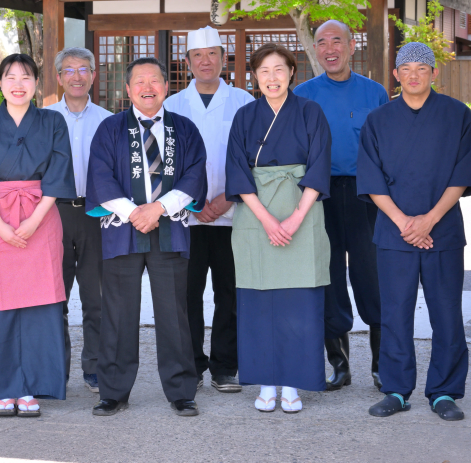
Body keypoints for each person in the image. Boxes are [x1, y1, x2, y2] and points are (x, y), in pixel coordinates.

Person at [356, 42, 471, 422]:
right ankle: (396, 389)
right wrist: (404, 223)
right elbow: (372, 178)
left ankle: (444, 391)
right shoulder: (379, 120)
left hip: (442, 229)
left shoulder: (457, 116)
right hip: (394, 232)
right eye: (405, 68)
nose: (413, 75)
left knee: (447, 313)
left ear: (433, 74)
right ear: (395, 75)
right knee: (394, 312)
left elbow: (462, 173)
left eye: (421, 69)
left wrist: (428, 220)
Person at [85, 56, 208, 417]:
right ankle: (113, 390)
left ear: (166, 86)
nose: (147, 88)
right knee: (118, 313)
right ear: (128, 89)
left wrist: (158, 209)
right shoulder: (109, 129)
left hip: (170, 230)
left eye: (155, 80)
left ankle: (182, 390)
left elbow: (195, 174)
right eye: (139, 81)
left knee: (174, 312)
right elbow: (100, 176)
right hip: (122, 232)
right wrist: (135, 213)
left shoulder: (184, 129)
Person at [0, 53, 76, 417]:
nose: (18, 84)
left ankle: (30, 388)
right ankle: (2, 387)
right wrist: (1, 226)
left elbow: (59, 173)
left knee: (39, 305)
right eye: (10, 77)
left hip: (40, 217)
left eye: (26, 77)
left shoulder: (53, 121)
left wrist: (33, 220)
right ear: (0, 83)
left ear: (37, 83)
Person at [226, 43, 332, 414]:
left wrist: (296, 217)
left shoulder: (310, 112)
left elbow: (319, 166)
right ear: (255, 77)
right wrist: (269, 220)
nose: (272, 78)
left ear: (291, 72)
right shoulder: (244, 116)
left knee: (299, 304)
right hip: (256, 218)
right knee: (258, 303)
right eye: (264, 71)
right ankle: (266, 382)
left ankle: (293, 384)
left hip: (302, 210)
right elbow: (237, 172)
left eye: (279, 69)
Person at [293, 20, 389, 390]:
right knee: (328, 277)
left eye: (337, 41)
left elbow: (386, 150)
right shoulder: (303, 94)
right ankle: (340, 364)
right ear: (314, 49)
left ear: (352, 46)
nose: (330, 48)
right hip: (321, 196)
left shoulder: (375, 93)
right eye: (322, 42)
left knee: (373, 277)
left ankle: (382, 364)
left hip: (367, 196)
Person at [164, 26, 253, 394]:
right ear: (187, 62)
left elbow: (252, 159)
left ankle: (225, 366)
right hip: (186, 216)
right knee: (186, 293)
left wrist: (228, 197)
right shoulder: (172, 105)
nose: (205, 61)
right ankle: (191, 364)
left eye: (213, 54)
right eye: (198, 56)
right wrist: (194, 202)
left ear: (223, 58)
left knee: (230, 292)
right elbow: (165, 164)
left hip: (233, 214)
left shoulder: (244, 101)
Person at [45, 47, 112, 393]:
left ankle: (95, 368)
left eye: (83, 69)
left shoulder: (108, 119)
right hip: (53, 213)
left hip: (95, 213)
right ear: (58, 78)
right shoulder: (43, 118)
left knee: (95, 297)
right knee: (54, 296)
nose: (76, 76)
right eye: (68, 71)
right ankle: (55, 367)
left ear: (93, 75)